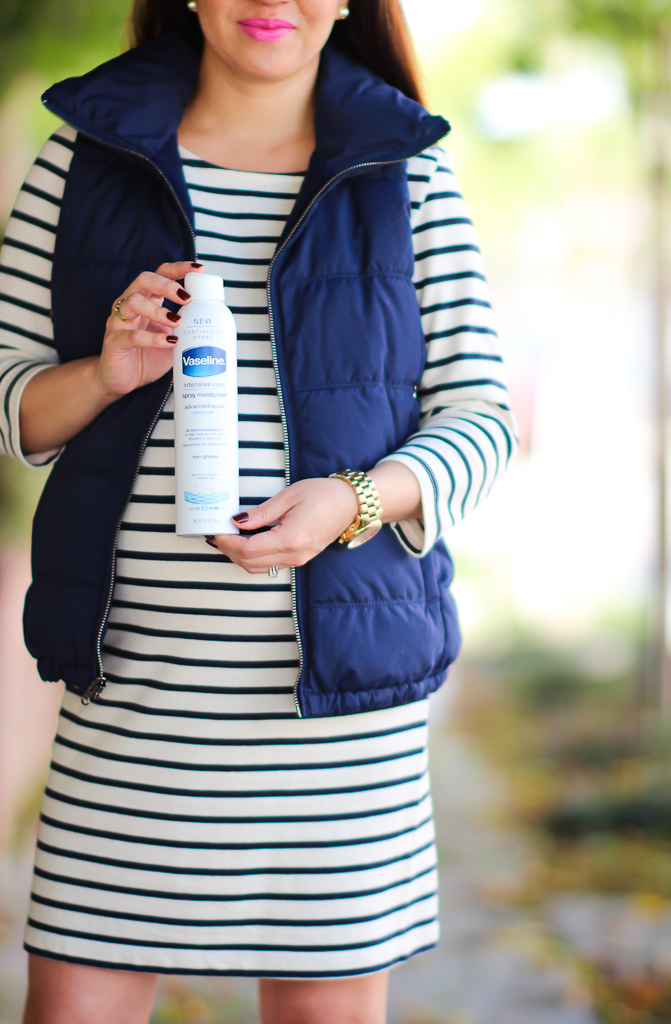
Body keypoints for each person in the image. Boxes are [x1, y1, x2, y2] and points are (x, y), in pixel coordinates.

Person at [0, 0, 516, 1021]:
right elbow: (13, 396)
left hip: (334, 723)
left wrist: (353, 500)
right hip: (134, 703)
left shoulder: (404, 168)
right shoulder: (84, 154)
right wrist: (104, 372)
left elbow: (481, 419)